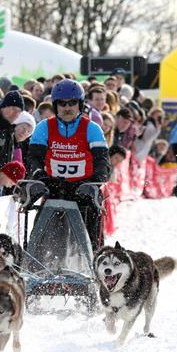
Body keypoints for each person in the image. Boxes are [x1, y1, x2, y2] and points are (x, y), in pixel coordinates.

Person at [27, 79, 111, 249]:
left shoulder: (92, 128)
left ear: (80, 104)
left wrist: (95, 180)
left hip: (84, 190)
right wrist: (38, 175)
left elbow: (103, 162)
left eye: (72, 103)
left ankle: (94, 258)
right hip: (54, 189)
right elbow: (34, 159)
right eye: (62, 104)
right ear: (55, 105)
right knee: (41, 238)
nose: (67, 108)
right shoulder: (44, 127)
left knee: (91, 239)